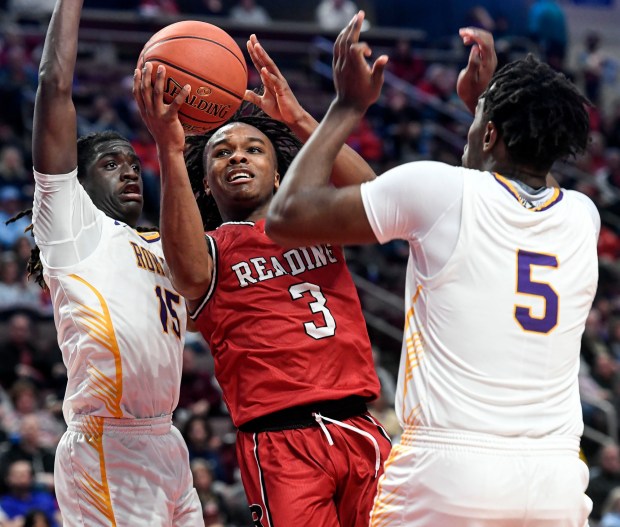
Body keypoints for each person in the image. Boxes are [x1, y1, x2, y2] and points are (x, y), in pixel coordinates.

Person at [266, 12, 599, 526]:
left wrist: (345, 106)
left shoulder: (439, 190)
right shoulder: (583, 217)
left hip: (450, 474)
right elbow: (502, 190)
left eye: (476, 122)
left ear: (489, 135)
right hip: (556, 479)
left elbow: (286, 218)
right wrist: (488, 110)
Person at [134, 32, 392, 526]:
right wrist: (170, 150)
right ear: (206, 182)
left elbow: (382, 198)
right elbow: (188, 278)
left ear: (278, 175)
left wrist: (297, 120)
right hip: (279, 442)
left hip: (360, 426)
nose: (236, 156)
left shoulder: (312, 219)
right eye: (220, 153)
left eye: (254, 148)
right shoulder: (210, 247)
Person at [29, 0, 203, 524]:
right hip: (108, 441)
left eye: (132, 162)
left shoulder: (162, 246)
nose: (129, 172)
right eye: (110, 163)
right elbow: (54, 85)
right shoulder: (73, 226)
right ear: (78, 184)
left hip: (167, 440)